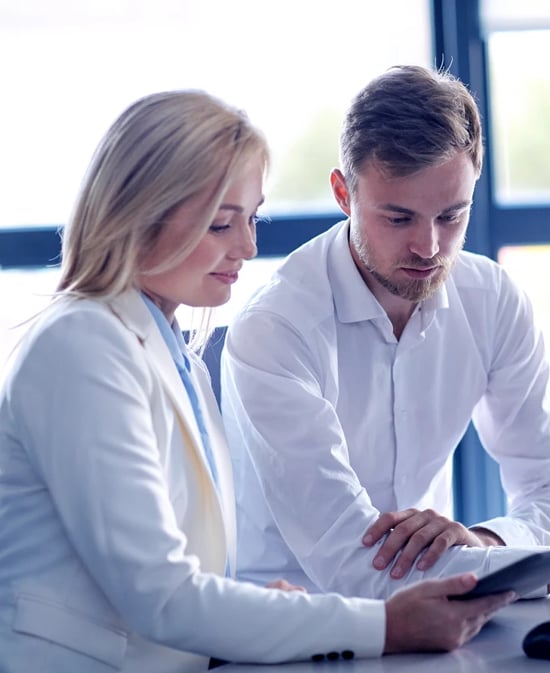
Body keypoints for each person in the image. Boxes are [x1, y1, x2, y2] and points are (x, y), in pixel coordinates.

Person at [0, 89, 519, 673]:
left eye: (250, 220)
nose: (247, 247)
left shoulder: (178, 356)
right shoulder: (81, 348)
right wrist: (386, 626)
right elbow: (161, 596)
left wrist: (264, 613)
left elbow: (183, 582)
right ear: (140, 214)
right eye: (221, 225)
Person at [221, 65, 550, 599]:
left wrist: (485, 540)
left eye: (452, 216)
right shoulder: (276, 330)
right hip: (292, 632)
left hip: (443, 617)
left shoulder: (488, 299)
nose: (428, 247)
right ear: (344, 194)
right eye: (398, 219)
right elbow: (355, 568)